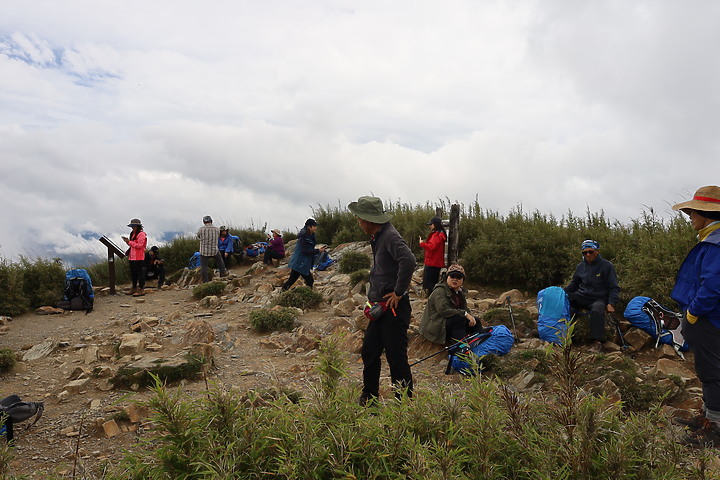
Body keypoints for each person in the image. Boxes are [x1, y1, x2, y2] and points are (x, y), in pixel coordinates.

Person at [349, 196, 416, 405]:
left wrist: (398, 291)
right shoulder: (378, 235)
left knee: (396, 358)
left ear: (368, 220)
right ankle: (369, 399)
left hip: (393, 308)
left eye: (360, 219)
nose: (359, 223)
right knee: (370, 351)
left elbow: (409, 260)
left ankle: (404, 405)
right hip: (380, 307)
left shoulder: (390, 236)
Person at [669, 186, 720, 446]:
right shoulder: (711, 239)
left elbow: (712, 287)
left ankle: (715, 430)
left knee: (711, 372)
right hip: (711, 318)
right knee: (710, 369)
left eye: (692, 212)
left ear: (704, 213)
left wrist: (692, 313)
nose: (689, 216)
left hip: (710, 319)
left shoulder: (714, 244)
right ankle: (709, 416)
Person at [564, 239, 620, 349]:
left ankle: (597, 341)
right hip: (582, 296)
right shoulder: (580, 266)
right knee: (565, 300)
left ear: (597, 251)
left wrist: (611, 303)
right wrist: (560, 293)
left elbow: (614, 287)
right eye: (584, 253)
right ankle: (559, 333)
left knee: (597, 308)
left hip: (598, 297)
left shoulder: (607, 266)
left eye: (590, 252)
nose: (587, 255)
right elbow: (574, 285)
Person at [419, 264, 485, 344]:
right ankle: (462, 347)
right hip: (436, 325)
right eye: (452, 276)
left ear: (463, 280)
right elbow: (444, 311)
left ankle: (482, 341)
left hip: (448, 322)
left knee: (476, 321)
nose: (455, 279)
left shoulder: (460, 292)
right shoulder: (439, 291)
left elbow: (464, 308)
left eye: (458, 277)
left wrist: (470, 316)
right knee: (458, 320)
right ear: (447, 277)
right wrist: (465, 314)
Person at [282, 219, 325, 291]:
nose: (316, 228)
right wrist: (318, 251)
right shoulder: (303, 237)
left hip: (301, 262)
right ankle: (307, 296)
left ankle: (282, 293)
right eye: (314, 226)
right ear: (309, 227)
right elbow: (305, 251)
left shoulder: (310, 235)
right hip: (301, 263)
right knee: (309, 280)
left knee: (292, 280)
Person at [418, 216, 447, 296]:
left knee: (429, 283)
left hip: (432, 262)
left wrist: (422, 244)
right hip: (434, 262)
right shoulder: (439, 234)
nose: (430, 226)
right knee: (433, 282)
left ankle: (433, 298)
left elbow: (431, 247)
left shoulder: (437, 235)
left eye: (431, 224)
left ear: (435, 225)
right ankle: (433, 297)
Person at [197, 215, 227, 283]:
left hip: (204, 251)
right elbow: (219, 236)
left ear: (204, 222)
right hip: (214, 250)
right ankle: (223, 274)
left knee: (204, 266)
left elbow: (198, 236)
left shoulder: (201, 229)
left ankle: (205, 281)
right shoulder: (217, 229)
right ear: (211, 221)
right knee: (220, 261)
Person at [122, 218, 147, 296]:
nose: (133, 228)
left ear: (138, 226)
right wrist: (128, 242)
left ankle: (141, 289)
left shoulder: (141, 234)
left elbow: (140, 245)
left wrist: (129, 242)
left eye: (134, 226)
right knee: (133, 273)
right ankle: (134, 288)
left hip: (139, 257)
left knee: (140, 273)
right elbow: (133, 244)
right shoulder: (132, 233)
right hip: (132, 257)